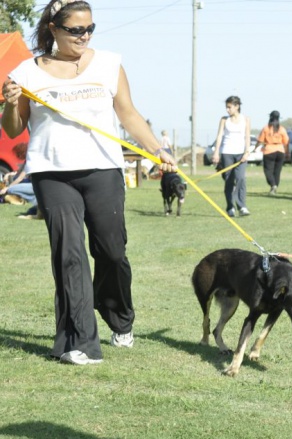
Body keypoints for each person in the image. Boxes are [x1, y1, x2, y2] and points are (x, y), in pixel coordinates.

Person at [1, 0, 176, 365]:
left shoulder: (109, 64)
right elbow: (14, 129)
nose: (85, 36)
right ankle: (78, 342)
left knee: (111, 251)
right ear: (54, 29)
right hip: (52, 173)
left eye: (90, 29)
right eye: (76, 30)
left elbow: (128, 114)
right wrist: (9, 104)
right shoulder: (26, 72)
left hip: (103, 170)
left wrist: (158, 149)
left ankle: (119, 317)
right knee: (69, 254)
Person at [212, 95, 251, 217]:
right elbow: (219, 136)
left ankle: (242, 206)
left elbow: (247, 136)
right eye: (226, 107)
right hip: (227, 153)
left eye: (229, 107)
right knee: (229, 180)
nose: (227, 110)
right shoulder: (224, 120)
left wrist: (247, 152)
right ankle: (230, 207)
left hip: (241, 154)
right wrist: (216, 152)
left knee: (241, 178)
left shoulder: (246, 119)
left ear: (237, 106)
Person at [255, 110, 289, 195]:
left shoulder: (266, 128)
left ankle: (273, 185)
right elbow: (286, 142)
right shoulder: (282, 129)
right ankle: (274, 187)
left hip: (269, 150)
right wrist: (287, 152)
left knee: (268, 171)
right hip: (280, 150)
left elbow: (260, 140)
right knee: (277, 171)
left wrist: (255, 147)